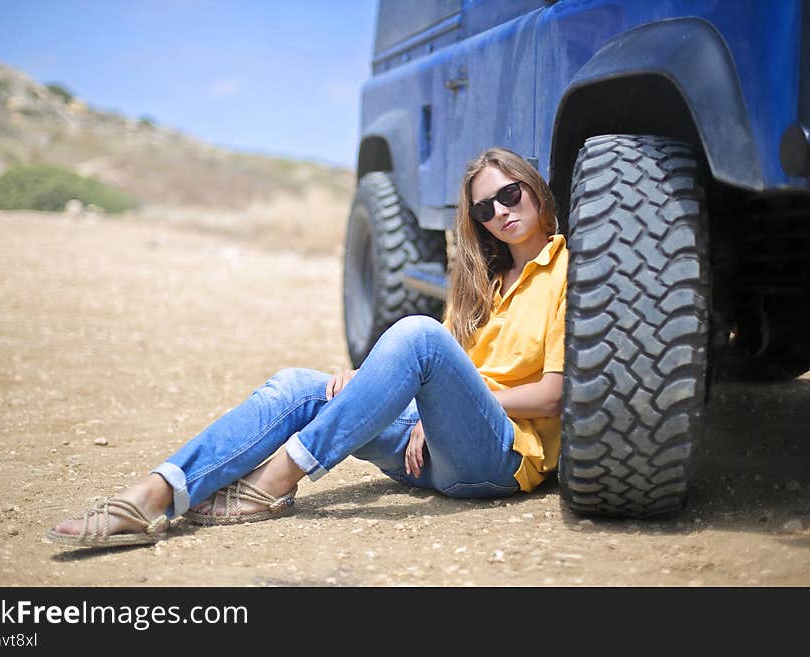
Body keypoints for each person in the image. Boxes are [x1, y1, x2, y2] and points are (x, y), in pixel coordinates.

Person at [47, 147, 568, 547]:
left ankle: (276, 480)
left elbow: (552, 397)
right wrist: (381, 393)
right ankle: (154, 495)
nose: (499, 211)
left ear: (536, 190)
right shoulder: (479, 283)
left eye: (509, 194)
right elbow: (436, 378)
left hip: (499, 459)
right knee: (301, 385)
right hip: (429, 455)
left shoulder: (568, 270)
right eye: (483, 207)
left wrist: (441, 411)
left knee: (418, 334)